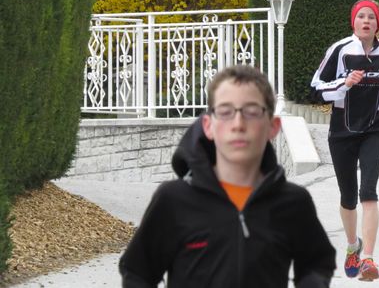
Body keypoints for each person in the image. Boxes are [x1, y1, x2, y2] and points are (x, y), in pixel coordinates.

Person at [119, 64, 336, 287]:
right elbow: (137, 272)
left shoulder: (293, 202)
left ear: (273, 126)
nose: (238, 124)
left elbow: (317, 263)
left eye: (252, 111)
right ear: (208, 125)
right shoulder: (173, 200)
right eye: (225, 112)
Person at [311, 0, 379, 282]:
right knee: (348, 197)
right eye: (361, 16)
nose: (366, 21)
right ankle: (352, 246)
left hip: (374, 130)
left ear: (378, 24)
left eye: (371, 17)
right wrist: (344, 83)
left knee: (368, 191)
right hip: (342, 132)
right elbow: (316, 88)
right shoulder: (340, 50)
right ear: (353, 22)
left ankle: (368, 258)